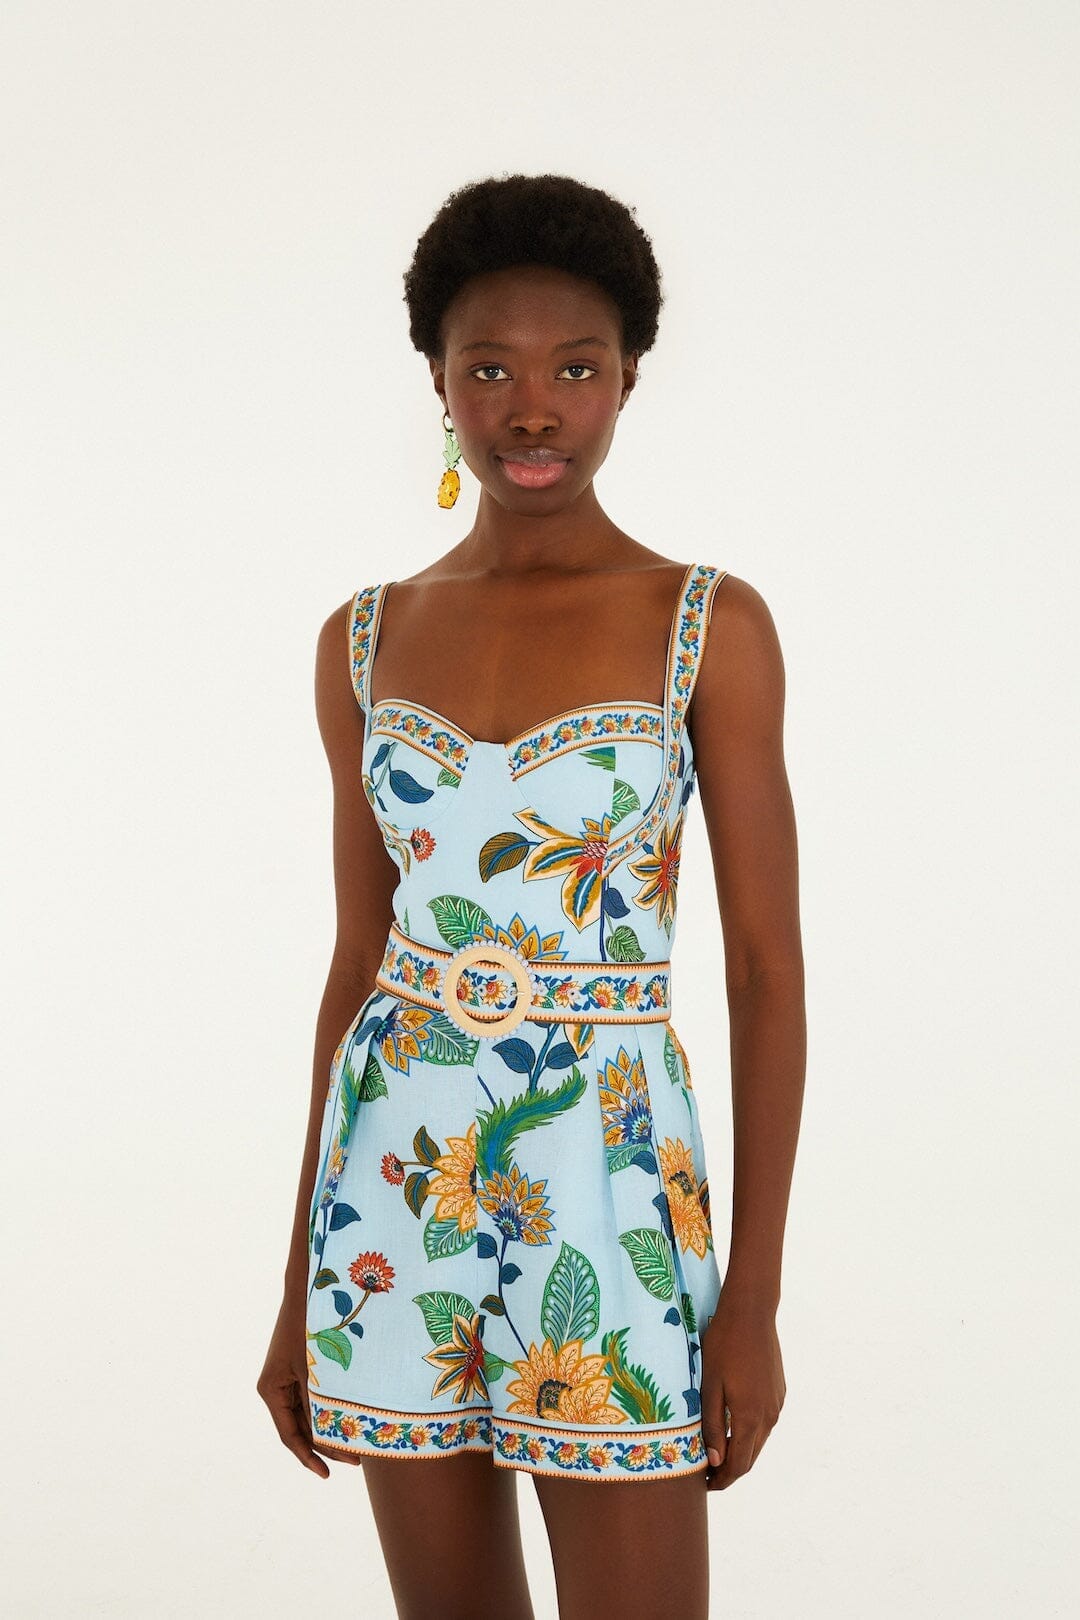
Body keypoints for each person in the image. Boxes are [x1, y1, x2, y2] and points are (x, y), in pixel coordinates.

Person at [258, 172, 806, 1620]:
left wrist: (751, 1298)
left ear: (628, 379)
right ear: (438, 383)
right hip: (396, 1191)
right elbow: (357, 964)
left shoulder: (706, 626)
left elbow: (765, 971)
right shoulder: (364, 640)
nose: (533, 410)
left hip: (610, 1186)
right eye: (489, 369)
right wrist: (300, 1279)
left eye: (576, 368)